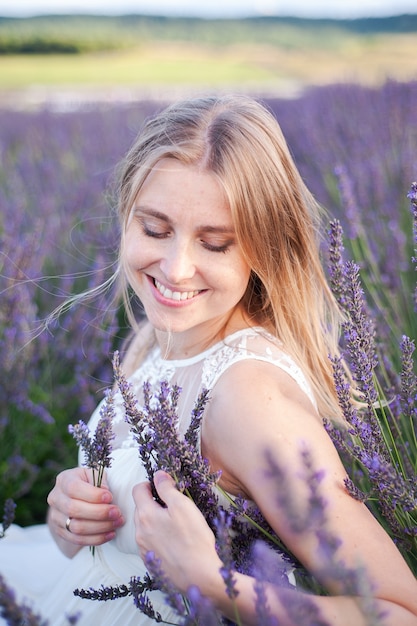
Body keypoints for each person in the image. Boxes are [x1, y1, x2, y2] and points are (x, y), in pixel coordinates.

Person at [1, 94, 417, 626]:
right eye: (154, 229)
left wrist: (209, 584)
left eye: (215, 243)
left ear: (262, 250)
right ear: (125, 214)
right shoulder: (158, 336)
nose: (175, 270)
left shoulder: (249, 399)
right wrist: (72, 522)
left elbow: (399, 613)